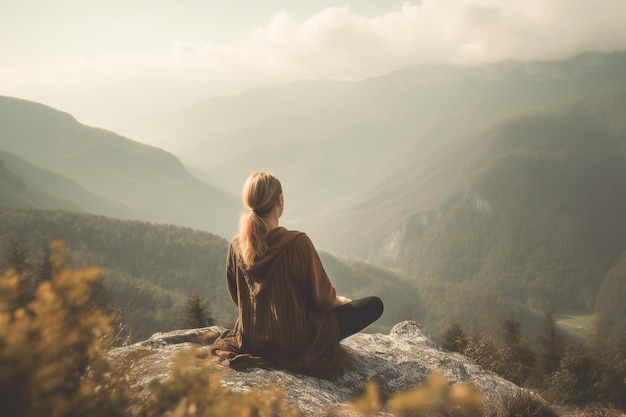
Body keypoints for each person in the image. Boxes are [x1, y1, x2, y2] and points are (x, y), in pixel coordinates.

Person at [211, 172, 383, 378]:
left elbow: (236, 296)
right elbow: (322, 299)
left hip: (252, 338)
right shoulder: (297, 243)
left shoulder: (237, 245)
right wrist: (340, 301)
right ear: (279, 201)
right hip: (294, 343)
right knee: (374, 305)